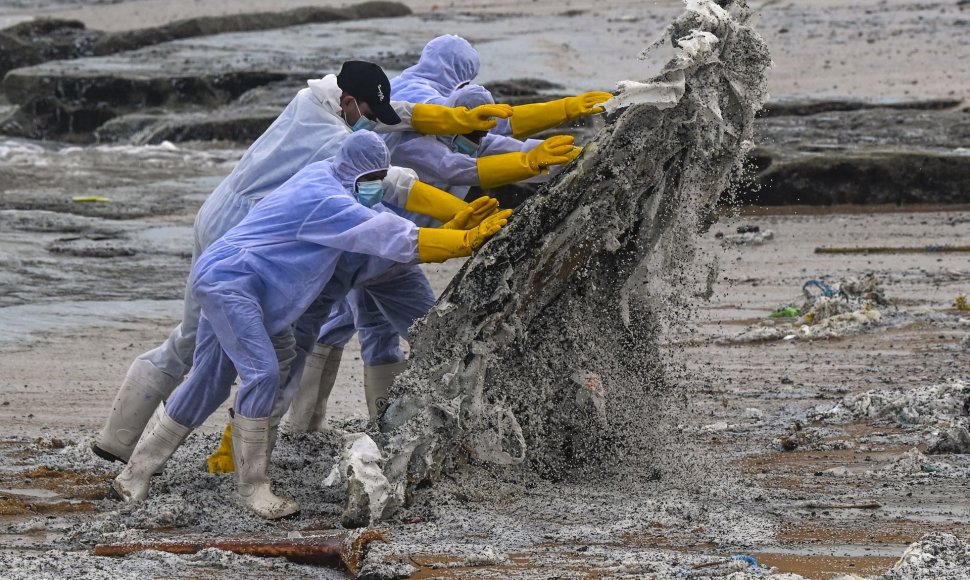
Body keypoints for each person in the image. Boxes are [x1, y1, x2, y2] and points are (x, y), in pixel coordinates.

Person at [92, 60, 513, 465]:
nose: (373, 120)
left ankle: (119, 439)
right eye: (367, 110)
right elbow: (393, 185)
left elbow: (398, 114)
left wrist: (455, 122)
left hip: (218, 211)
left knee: (192, 337)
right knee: (252, 352)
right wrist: (455, 223)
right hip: (244, 234)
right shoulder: (331, 142)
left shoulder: (309, 100)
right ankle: (231, 451)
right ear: (348, 101)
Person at [110, 131, 512, 519]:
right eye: (370, 179)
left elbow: (385, 206)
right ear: (355, 173)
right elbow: (385, 232)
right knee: (263, 372)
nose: (375, 186)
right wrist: (461, 241)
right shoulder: (326, 200)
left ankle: (135, 475)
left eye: (379, 179)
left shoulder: (328, 172)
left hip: (223, 274)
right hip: (232, 282)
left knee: (209, 380)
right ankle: (253, 487)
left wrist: (452, 223)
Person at [282, 83, 586, 434]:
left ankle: (371, 428)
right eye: (469, 128)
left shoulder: (474, 139)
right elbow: (456, 169)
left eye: (479, 132)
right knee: (431, 336)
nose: (474, 139)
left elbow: (512, 145)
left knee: (368, 331)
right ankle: (311, 427)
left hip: (391, 261)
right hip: (377, 252)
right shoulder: (417, 144)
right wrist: (469, 223)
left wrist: (574, 151)